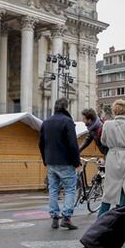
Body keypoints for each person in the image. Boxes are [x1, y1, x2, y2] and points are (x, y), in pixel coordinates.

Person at [39, 97, 82, 230]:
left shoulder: (45, 122)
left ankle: (54, 217)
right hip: (66, 162)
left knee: (53, 190)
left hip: (51, 162)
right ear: (65, 107)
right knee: (69, 189)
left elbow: (41, 143)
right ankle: (67, 218)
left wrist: (45, 160)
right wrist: (76, 162)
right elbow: (73, 144)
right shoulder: (67, 122)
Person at [97, 99, 125, 216]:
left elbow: (103, 141)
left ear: (114, 111)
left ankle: (100, 218)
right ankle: (121, 215)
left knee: (109, 190)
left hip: (112, 158)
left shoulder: (107, 124)